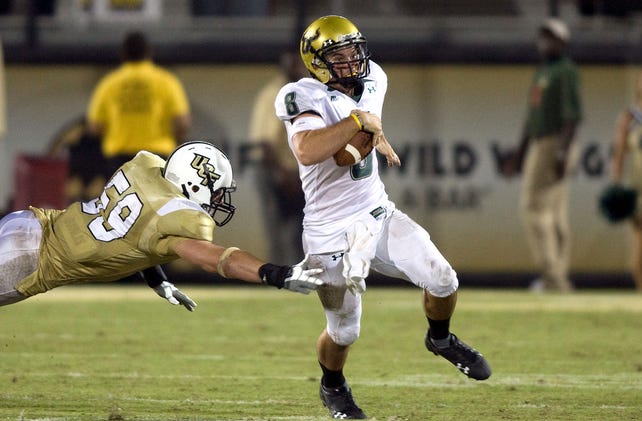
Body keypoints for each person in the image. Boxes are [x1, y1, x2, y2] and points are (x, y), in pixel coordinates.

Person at [274, 15, 491, 419]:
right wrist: (360, 123)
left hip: (375, 210)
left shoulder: (375, 75)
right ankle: (332, 385)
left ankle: (440, 340)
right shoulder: (299, 95)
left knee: (443, 278)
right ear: (317, 62)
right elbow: (308, 150)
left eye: (354, 50)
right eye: (339, 55)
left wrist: (375, 133)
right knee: (344, 331)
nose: (353, 61)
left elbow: (364, 128)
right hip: (328, 232)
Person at [0, 141, 323, 308]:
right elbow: (219, 260)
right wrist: (275, 274)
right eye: (217, 192)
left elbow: (134, 234)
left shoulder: (146, 167)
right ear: (194, 185)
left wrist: (157, 278)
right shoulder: (180, 219)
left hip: (30, 224)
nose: (219, 201)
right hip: (30, 263)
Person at [503, 18, 582, 293]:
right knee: (554, 213)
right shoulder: (544, 71)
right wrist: (520, 153)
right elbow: (531, 117)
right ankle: (558, 277)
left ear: (563, 42)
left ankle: (552, 277)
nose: (545, 42)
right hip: (543, 142)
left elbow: (572, 118)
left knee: (533, 208)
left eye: (552, 37)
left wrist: (561, 153)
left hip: (554, 142)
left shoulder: (565, 71)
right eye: (543, 36)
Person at [86, 30, 191, 181]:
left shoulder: (109, 83)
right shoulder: (166, 81)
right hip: (156, 157)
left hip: (119, 161)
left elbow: (94, 127)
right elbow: (183, 123)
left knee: (122, 204)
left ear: (123, 54)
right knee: (157, 204)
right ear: (149, 52)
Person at [248, 50, 307, 263]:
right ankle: (281, 279)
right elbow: (265, 144)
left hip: (294, 170)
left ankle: (300, 276)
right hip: (273, 169)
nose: (299, 68)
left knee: (300, 231)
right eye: (294, 64)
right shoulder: (276, 93)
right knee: (278, 230)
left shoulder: (302, 92)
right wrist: (282, 175)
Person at [609, 67, 642, 292]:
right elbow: (619, 153)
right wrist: (616, 184)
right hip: (639, 187)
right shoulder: (629, 117)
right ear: (639, 85)